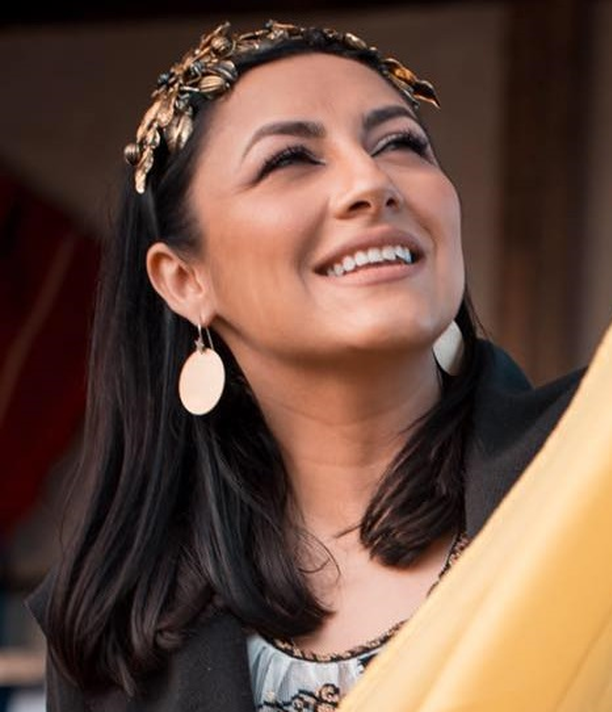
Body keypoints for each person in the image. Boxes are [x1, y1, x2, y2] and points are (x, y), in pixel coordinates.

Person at [27, 20, 582, 711]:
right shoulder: (110, 638)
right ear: (184, 280)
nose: (372, 181)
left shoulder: (611, 458)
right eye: (289, 159)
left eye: (401, 143)